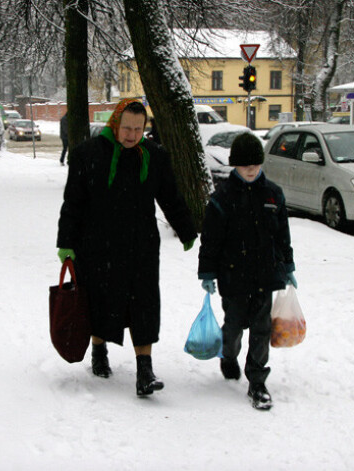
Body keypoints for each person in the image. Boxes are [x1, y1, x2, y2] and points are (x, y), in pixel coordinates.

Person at [57, 99, 197, 396]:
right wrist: (66, 242)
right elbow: (74, 202)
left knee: (143, 304)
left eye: (138, 129)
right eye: (127, 128)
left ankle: (144, 370)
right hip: (96, 244)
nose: (132, 135)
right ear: (115, 124)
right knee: (99, 300)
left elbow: (170, 196)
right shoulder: (88, 154)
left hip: (140, 245)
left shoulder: (154, 156)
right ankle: (98, 350)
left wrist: (185, 229)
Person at [197, 132, 296, 411]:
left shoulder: (273, 194)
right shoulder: (223, 198)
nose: (251, 169)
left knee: (261, 329)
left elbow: (282, 236)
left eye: (255, 163)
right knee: (234, 326)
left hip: (265, 274)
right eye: (244, 164)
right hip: (233, 275)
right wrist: (207, 273)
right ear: (234, 166)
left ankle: (257, 379)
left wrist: (287, 266)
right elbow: (211, 240)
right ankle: (228, 356)